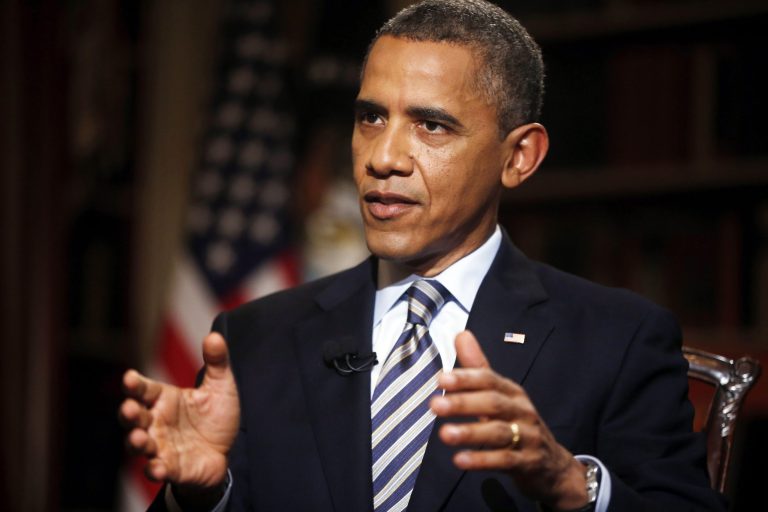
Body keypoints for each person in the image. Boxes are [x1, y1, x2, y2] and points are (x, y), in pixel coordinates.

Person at [120, 1, 726, 510]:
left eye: (431, 126)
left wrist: (570, 481)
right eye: (371, 117)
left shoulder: (617, 340)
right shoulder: (254, 339)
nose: (383, 157)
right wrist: (202, 495)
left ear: (518, 158)